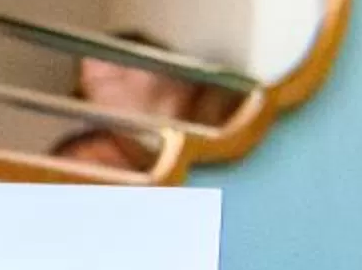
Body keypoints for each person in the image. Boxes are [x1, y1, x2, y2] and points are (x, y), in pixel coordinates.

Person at [49, 30, 242, 172]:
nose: (104, 77)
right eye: (94, 85)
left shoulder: (227, 104)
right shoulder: (112, 150)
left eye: (117, 64)